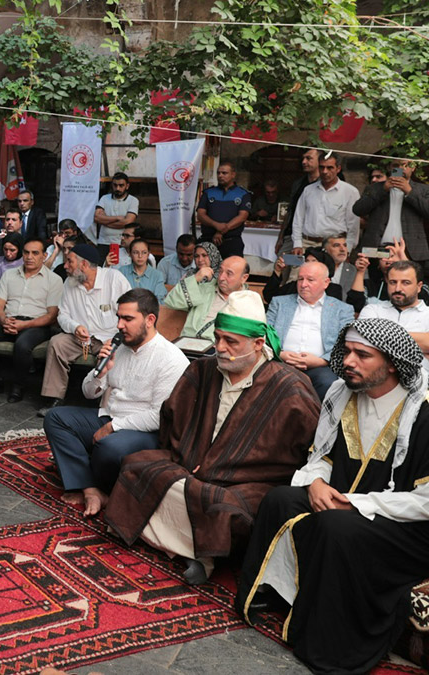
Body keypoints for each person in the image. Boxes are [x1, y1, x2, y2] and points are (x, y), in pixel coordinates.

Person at [236, 319, 429, 673]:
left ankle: (328, 643)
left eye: (362, 355)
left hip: (405, 524)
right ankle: (281, 595)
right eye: (347, 352)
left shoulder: (423, 411)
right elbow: (322, 456)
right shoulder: (342, 393)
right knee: (280, 499)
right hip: (343, 502)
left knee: (334, 526)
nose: (349, 361)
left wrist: (354, 504)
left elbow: (426, 501)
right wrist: (315, 484)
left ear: (391, 363)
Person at [106, 290, 320, 585]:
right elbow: (172, 416)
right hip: (192, 464)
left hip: (245, 480)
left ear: (258, 344)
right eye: (217, 338)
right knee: (138, 466)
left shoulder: (290, 387)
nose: (219, 347)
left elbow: (307, 449)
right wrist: (191, 454)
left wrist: (223, 466)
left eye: (231, 341)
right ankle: (188, 549)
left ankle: (201, 556)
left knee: (221, 506)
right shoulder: (203, 369)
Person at [45, 288, 189, 516]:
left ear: (150, 320)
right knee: (56, 418)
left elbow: (159, 416)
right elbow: (88, 393)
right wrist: (100, 372)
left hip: (145, 431)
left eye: (128, 319)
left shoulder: (171, 358)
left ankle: (84, 473)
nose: (120, 325)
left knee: (109, 448)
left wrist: (113, 427)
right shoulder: (119, 348)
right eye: (119, 318)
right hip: (110, 416)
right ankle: (90, 488)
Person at [40, 244, 132, 410]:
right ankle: (54, 398)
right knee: (57, 343)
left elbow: (130, 313)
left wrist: (116, 339)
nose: (65, 266)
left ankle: (103, 403)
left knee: (111, 355)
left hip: (110, 338)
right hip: (80, 338)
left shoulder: (114, 279)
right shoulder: (69, 282)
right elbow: (62, 315)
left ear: (84, 264)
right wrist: (75, 327)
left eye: (70, 261)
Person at [0, 237, 61, 402]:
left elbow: (51, 316)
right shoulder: (9, 275)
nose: (29, 257)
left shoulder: (54, 280)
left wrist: (24, 325)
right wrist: (3, 320)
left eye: (35, 253)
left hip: (36, 324)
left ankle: (18, 386)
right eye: (26, 252)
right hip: (9, 320)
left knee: (22, 345)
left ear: (44, 256)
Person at [266, 260, 354, 398]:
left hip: (321, 366)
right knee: (265, 375)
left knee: (329, 383)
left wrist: (322, 361)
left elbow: (346, 342)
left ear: (326, 283)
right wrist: (280, 354)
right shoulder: (280, 303)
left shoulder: (342, 309)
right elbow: (265, 333)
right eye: (300, 279)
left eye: (310, 280)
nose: (303, 284)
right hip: (280, 361)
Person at [164, 246, 253, 346]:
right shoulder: (205, 288)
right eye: (220, 271)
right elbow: (171, 302)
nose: (221, 277)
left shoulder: (249, 302)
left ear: (244, 278)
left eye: (229, 274)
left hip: (220, 348)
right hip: (188, 343)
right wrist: (195, 278)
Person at [354, 158, 429, 268]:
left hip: (411, 250)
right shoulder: (375, 188)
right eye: (395, 165)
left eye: (405, 165)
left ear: (413, 168)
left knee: (408, 277)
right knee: (377, 278)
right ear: (389, 168)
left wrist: (409, 192)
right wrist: (383, 190)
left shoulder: (423, 189)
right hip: (378, 248)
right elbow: (358, 210)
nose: (400, 169)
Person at [358, 260, 429, 358]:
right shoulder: (372, 310)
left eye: (406, 283)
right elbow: (362, 343)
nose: (397, 289)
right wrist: (422, 343)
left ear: (419, 287)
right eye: (393, 282)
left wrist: (380, 336)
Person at [292, 152, 360, 254]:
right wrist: (297, 244)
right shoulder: (308, 190)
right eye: (321, 167)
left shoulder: (350, 192)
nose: (325, 171)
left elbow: (353, 225)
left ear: (338, 168)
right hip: (307, 243)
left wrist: (348, 249)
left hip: (335, 246)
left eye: (330, 168)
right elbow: (298, 218)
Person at [196, 162, 252, 258]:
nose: (220, 176)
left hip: (231, 241)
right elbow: (200, 215)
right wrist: (216, 225)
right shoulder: (208, 193)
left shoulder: (243, 194)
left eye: (224, 173)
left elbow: (243, 216)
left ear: (233, 174)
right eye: (218, 173)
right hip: (208, 239)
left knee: (233, 266)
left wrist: (221, 231)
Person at [275, 149, 324, 255]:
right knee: (281, 263)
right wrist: (281, 237)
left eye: (309, 158)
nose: (304, 162)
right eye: (303, 158)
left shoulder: (325, 184)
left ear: (320, 161)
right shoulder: (298, 183)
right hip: (292, 236)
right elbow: (290, 211)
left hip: (315, 239)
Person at [93, 172, 139, 252]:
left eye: (121, 185)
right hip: (103, 242)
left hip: (121, 243)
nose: (117, 188)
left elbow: (127, 223)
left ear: (127, 186)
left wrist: (104, 221)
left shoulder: (133, 200)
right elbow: (96, 218)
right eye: (115, 185)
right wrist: (117, 218)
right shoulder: (104, 198)